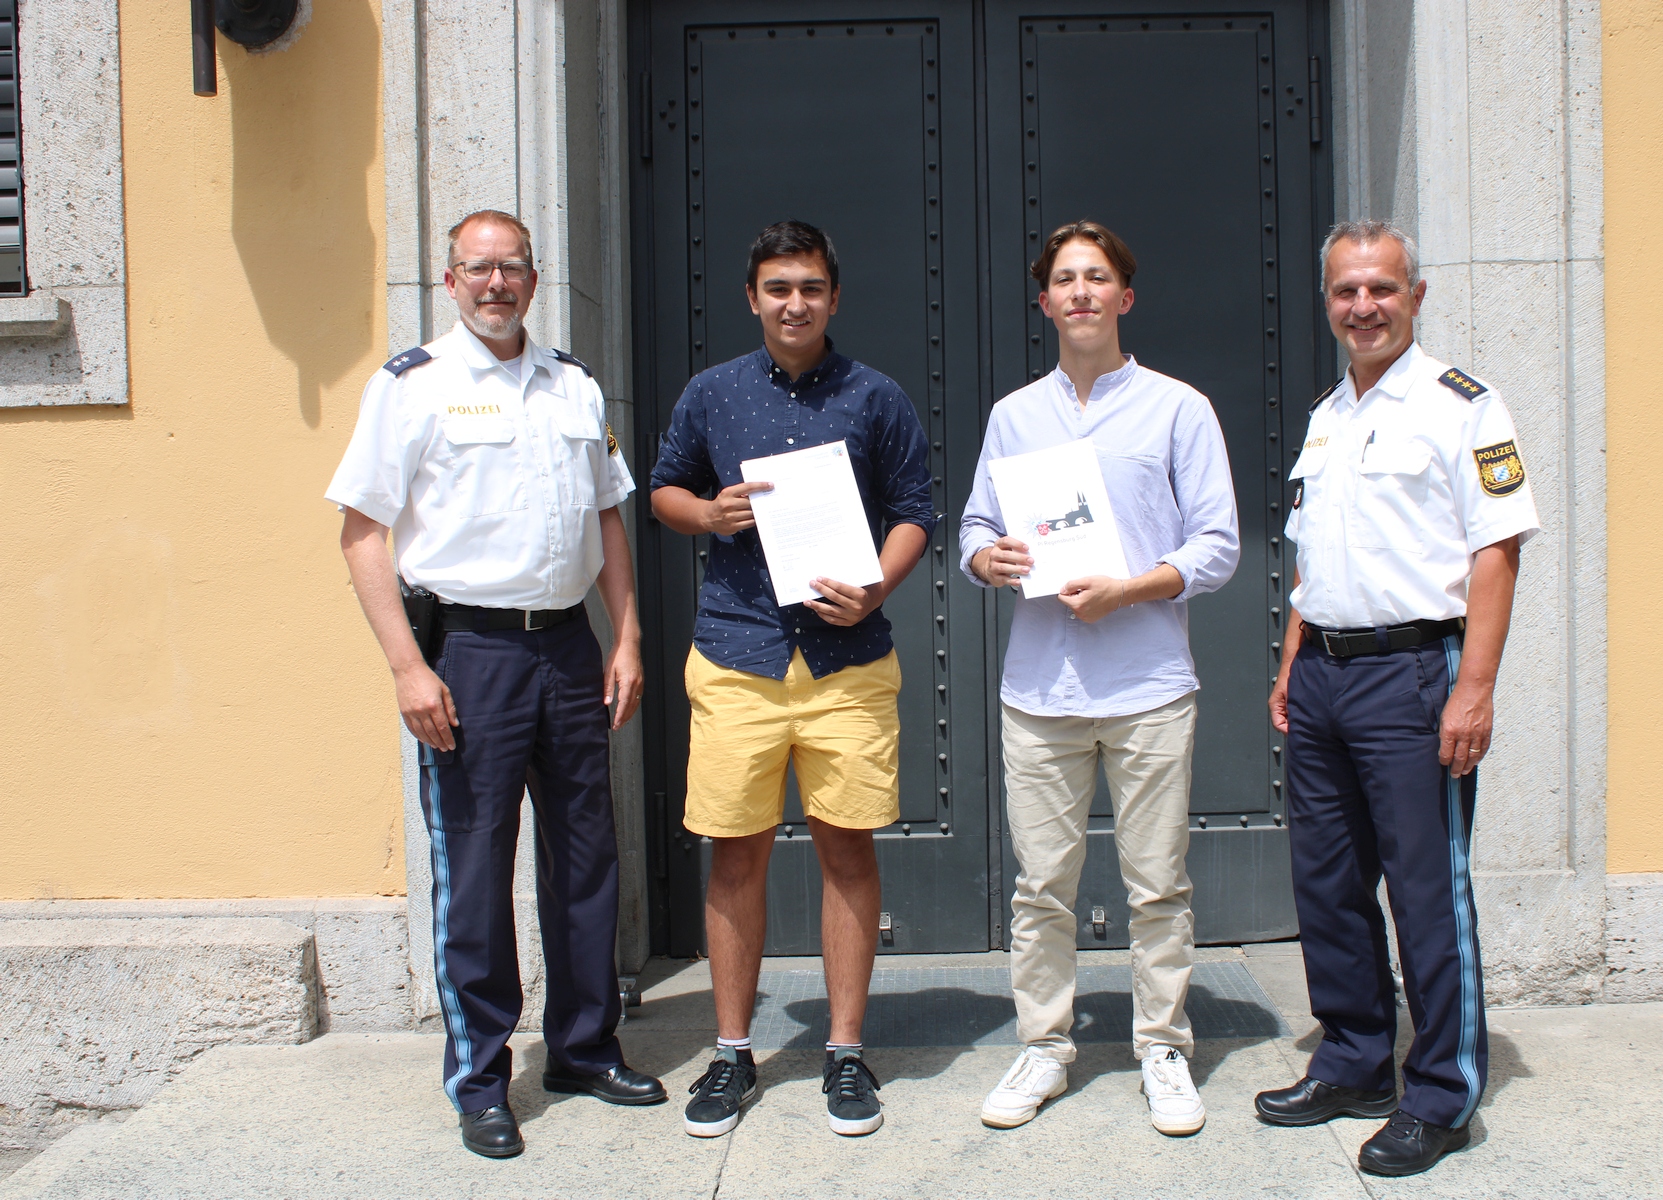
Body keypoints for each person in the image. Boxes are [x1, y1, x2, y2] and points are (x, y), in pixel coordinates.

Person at [327, 209, 665, 1159]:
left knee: (586, 858)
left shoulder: (573, 385)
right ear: (450, 281)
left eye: (511, 267)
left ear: (534, 276)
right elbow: (362, 533)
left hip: (565, 651)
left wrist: (625, 638)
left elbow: (608, 522)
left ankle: (584, 1048)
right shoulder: (413, 388)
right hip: (466, 657)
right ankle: (481, 1076)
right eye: (477, 269)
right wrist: (407, 668)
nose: (495, 284)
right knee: (474, 870)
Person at [1255, 219, 1540, 1177]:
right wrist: (1294, 660)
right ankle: (1353, 1059)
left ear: (1416, 297)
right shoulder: (1328, 413)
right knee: (1327, 886)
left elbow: (1495, 551)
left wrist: (1475, 690)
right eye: (1346, 291)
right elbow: (1312, 562)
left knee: (1427, 892)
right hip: (1327, 675)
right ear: (1328, 302)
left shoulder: (1463, 405)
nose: (1363, 306)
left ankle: (1443, 1091)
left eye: (1382, 289)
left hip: (1416, 677)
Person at [649, 220, 935, 1139]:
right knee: (737, 851)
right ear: (753, 297)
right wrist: (709, 512)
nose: (795, 303)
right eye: (778, 288)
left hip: (848, 662)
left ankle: (844, 1051)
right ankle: (732, 1052)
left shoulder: (876, 397)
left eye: (810, 287)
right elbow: (662, 492)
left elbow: (916, 513)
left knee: (848, 849)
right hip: (737, 655)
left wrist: (877, 585)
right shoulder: (711, 393)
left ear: (834, 297)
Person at [959, 220, 1240, 1136]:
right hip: (1040, 689)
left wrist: (1130, 589)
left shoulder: (1177, 409)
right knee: (1042, 886)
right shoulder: (1014, 415)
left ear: (1126, 295)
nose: (1081, 292)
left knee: (1157, 884)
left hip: (1150, 683)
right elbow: (973, 529)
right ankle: (1044, 1046)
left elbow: (1219, 546)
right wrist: (986, 560)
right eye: (1065, 280)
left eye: (1098, 277)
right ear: (1044, 302)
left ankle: (1162, 1045)